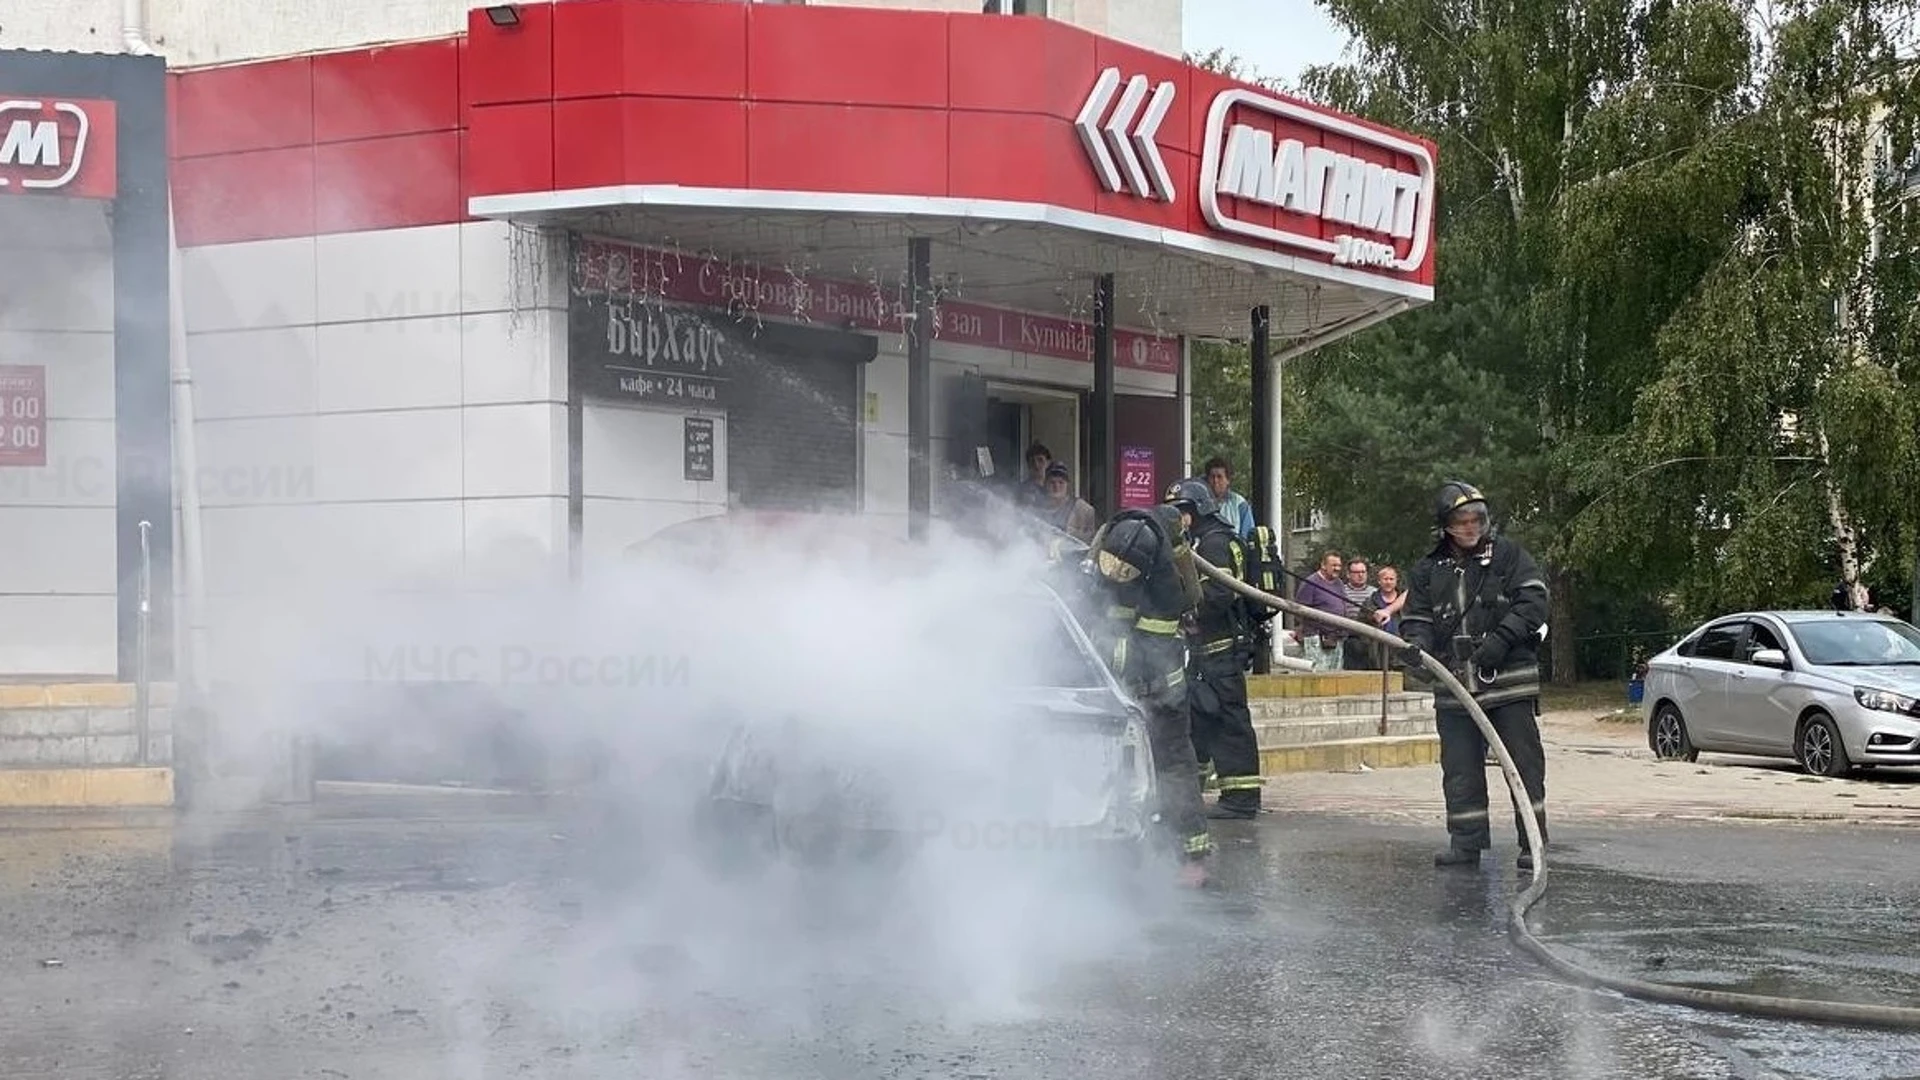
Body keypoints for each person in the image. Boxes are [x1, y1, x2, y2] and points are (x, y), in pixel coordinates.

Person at [1398, 480, 1551, 873]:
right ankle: (1465, 844)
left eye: (1477, 519)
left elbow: (1534, 601)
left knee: (1523, 764)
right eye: (1461, 521)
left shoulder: (1510, 556)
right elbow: (1416, 618)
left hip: (1508, 681)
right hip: (1453, 687)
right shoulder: (1428, 570)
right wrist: (1417, 647)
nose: (1470, 528)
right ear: (1445, 526)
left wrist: (1500, 641)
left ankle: (1532, 843)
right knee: (1460, 768)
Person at [1082, 498, 1214, 886]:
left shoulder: (1167, 593)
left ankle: (1192, 859)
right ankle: (1124, 853)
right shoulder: (1117, 542)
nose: (1117, 579)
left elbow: (1141, 650)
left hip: (1161, 694)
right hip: (1117, 696)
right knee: (1116, 773)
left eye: (1126, 574)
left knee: (1173, 768)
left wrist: (1117, 673)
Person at [1165, 477, 1263, 820]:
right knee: (1199, 716)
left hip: (1222, 648)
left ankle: (1241, 797)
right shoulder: (1202, 540)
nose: (1179, 518)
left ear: (1198, 509)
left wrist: (1187, 611)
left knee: (1228, 720)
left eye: (1183, 511)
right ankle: (1189, 792)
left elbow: (1219, 594)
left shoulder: (1216, 543)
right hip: (1205, 652)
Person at [1294, 552, 1351, 670]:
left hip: (1336, 637)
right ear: (1323, 565)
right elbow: (1299, 610)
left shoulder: (1339, 583)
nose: (1337, 568)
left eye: (1339, 565)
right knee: (1318, 674)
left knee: (1335, 676)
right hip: (1316, 638)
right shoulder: (1310, 582)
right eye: (1334, 565)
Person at [1038, 461, 1100, 543]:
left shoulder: (1083, 509)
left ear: (1067, 484)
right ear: (1045, 484)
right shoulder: (1037, 509)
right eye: (1052, 482)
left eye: (1061, 482)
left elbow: (1094, 540)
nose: (1056, 487)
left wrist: (1070, 533)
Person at [1202, 457, 1256, 540]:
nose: (1215, 481)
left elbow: (1248, 538)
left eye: (1219, 477)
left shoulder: (1240, 504)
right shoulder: (1199, 503)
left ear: (1228, 480)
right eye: (1212, 477)